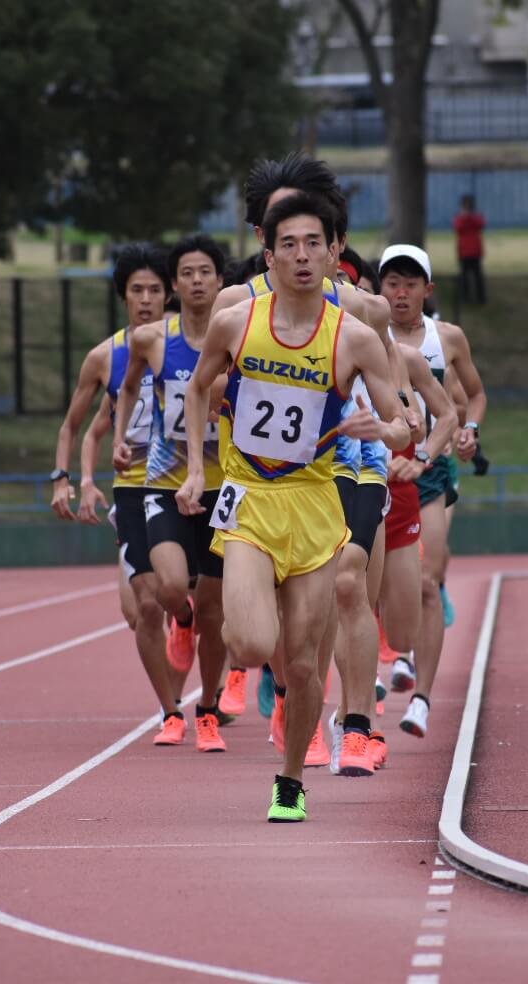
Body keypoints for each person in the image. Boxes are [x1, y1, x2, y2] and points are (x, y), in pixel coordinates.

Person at [177, 192, 411, 823]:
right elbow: (199, 389)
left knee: (305, 664)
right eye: (289, 244)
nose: (302, 256)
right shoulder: (236, 321)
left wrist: (381, 433)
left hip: (314, 507)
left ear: (333, 250)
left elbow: (402, 423)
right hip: (250, 502)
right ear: (268, 252)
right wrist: (200, 469)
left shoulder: (355, 337)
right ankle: (251, 667)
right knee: (254, 645)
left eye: (313, 243)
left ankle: (290, 780)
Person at [50, 245, 189, 733]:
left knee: (185, 597)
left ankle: (201, 665)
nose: (147, 299)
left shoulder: (188, 341)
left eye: (155, 289)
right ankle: (172, 710)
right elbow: (76, 427)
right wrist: (70, 480)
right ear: (123, 297)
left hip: (189, 485)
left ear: (169, 291)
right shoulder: (104, 357)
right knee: (144, 607)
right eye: (137, 291)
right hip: (134, 486)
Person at [113, 234, 229, 752]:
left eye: (206, 271)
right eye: (188, 273)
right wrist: (120, 437)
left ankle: (206, 711)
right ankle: (177, 621)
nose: (197, 281)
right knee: (168, 586)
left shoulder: (235, 338)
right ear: (175, 284)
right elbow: (130, 386)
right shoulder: (152, 340)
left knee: (215, 613)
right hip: (162, 482)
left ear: (220, 280)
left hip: (223, 485)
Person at [378, 245, 487, 738]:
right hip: (377, 474)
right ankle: (393, 653)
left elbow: (473, 396)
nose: (400, 294)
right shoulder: (365, 338)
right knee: (374, 582)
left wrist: (471, 432)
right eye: (391, 284)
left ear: (427, 290)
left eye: (410, 284)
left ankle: (420, 697)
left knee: (427, 579)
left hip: (431, 474)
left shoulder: (448, 338)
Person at [453, 194, 487, 305]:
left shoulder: (476, 216)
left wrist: (469, 217)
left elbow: (481, 224)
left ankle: (480, 298)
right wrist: (465, 217)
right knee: (464, 276)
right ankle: (465, 298)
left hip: (475, 251)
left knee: (478, 276)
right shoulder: (460, 217)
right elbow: (458, 227)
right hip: (464, 251)